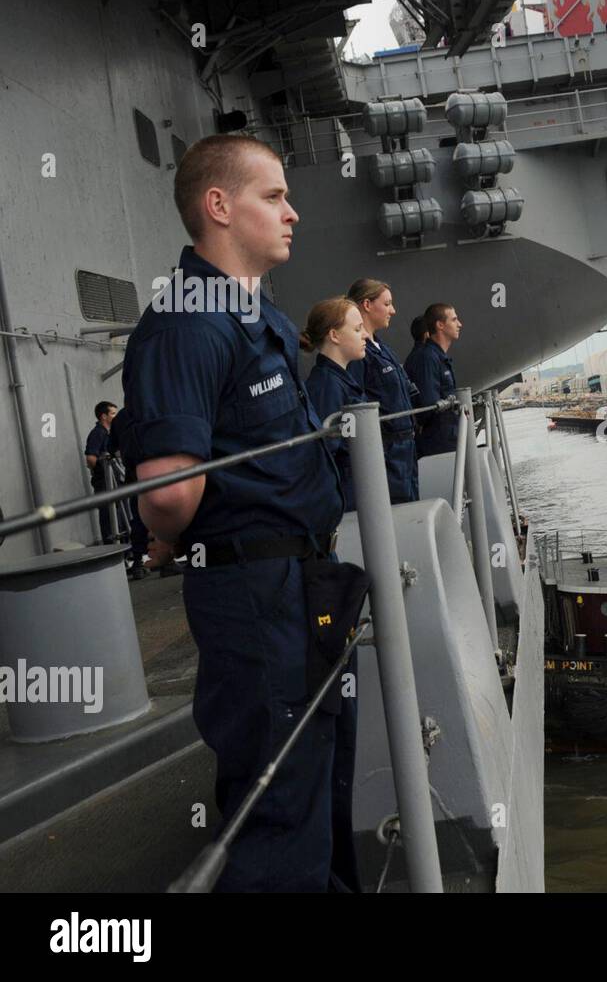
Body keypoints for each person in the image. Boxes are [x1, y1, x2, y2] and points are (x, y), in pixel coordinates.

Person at [121, 133, 356, 893]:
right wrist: (173, 535)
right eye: (274, 195)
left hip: (305, 584)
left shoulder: (263, 318)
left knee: (318, 780)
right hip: (258, 598)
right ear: (219, 206)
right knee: (275, 802)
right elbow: (165, 495)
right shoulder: (185, 324)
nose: (293, 211)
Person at [346, 278, 419, 502]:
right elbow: (355, 403)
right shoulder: (359, 353)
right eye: (387, 304)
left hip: (405, 449)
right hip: (386, 453)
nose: (393, 310)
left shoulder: (383, 349)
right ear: (367, 305)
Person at [302, 297, 368, 512]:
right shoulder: (326, 386)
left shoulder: (338, 380)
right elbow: (328, 453)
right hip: (348, 499)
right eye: (358, 329)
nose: (365, 335)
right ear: (334, 335)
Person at [404, 303, 461, 456]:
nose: (459, 324)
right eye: (454, 320)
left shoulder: (436, 357)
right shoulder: (427, 358)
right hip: (439, 444)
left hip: (448, 438)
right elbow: (428, 406)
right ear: (440, 325)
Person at [105, 408, 152, 579]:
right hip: (159, 471)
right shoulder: (156, 406)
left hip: (135, 475)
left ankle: (138, 562)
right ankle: (168, 559)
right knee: (167, 513)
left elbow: (111, 448)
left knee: (139, 519)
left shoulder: (121, 418)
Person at [84, 401, 118, 545]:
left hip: (115, 481)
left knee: (118, 517)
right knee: (108, 517)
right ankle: (112, 550)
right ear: (103, 416)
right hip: (104, 483)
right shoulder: (97, 434)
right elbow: (90, 459)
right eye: (113, 414)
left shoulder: (111, 433)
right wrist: (104, 465)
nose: (116, 417)